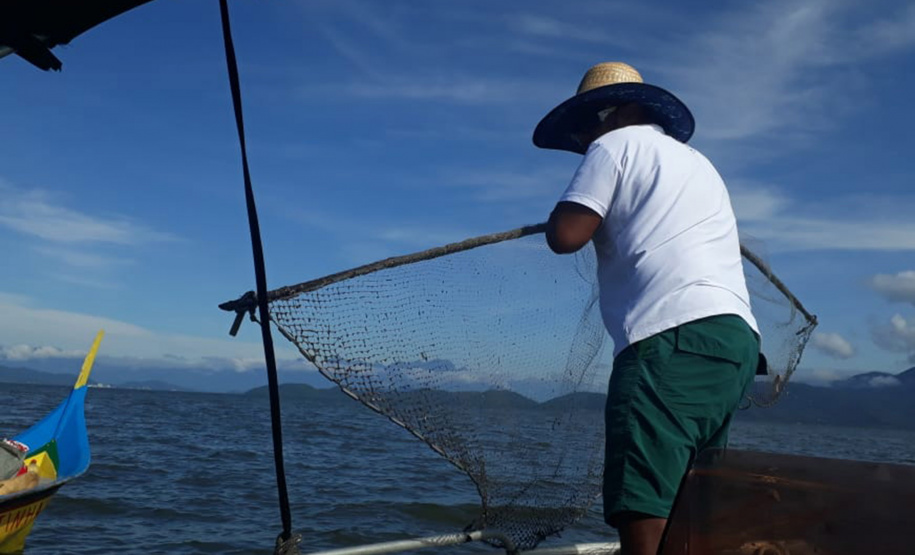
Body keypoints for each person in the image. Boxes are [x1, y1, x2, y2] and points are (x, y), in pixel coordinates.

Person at [533, 62, 760, 555]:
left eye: (589, 123)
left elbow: (566, 237)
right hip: (734, 344)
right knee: (690, 500)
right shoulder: (698, 163)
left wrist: (558, 214)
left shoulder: (614, 144)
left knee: (646, 504)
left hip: (669, 340)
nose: (585, 136)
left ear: (620, 112)